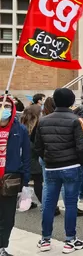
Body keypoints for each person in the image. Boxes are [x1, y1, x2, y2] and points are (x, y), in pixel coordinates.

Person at [35, 88, 83, 253]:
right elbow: (82, 147)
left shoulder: (43, 120)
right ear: (72, 102)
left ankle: (45, 239)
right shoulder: (76, 120)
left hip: (51, 166)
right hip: (71, 165)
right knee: (71, 204)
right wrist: (81, 164)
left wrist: (48, 158)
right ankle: (70, 240)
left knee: (49, 203)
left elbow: (38, 146)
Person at [0, 96, 30, 256]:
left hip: (10, 179)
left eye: (7, 106)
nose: (3, 108)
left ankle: (1, 246)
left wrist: (25, 182)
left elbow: (26, 156)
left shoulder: (20, 129)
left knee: (7, 218)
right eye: (0, 105)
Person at [20, 104, 42, 210]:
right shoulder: (37, 125)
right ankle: (45, 203)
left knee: (24, 182)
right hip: (33, 156)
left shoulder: (21, 124)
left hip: (22, 157)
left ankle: (25, 202)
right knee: (38, 181)